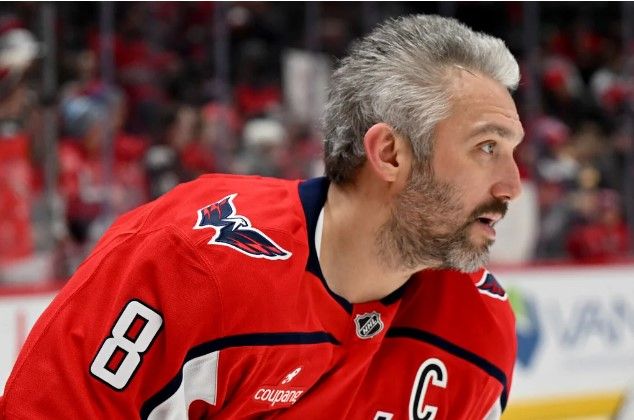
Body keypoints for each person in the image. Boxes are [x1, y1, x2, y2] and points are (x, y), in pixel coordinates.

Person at [0, 14, 522, 419]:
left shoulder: (478, 329)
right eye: (486, 147)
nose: (513, 185)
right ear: (389, 154)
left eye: (512, 150)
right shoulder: (189, 262)